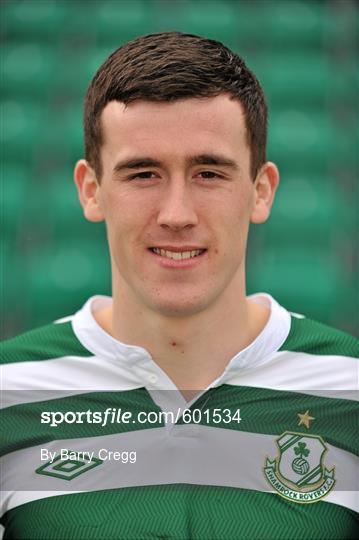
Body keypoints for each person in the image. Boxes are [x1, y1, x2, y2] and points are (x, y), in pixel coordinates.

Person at [1, 32, 358, 539]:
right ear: (91, 190)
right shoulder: (10, 391)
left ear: (261, 192)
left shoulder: (349, 390)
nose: (176, 215)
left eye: (209, 173)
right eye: (143, 174)